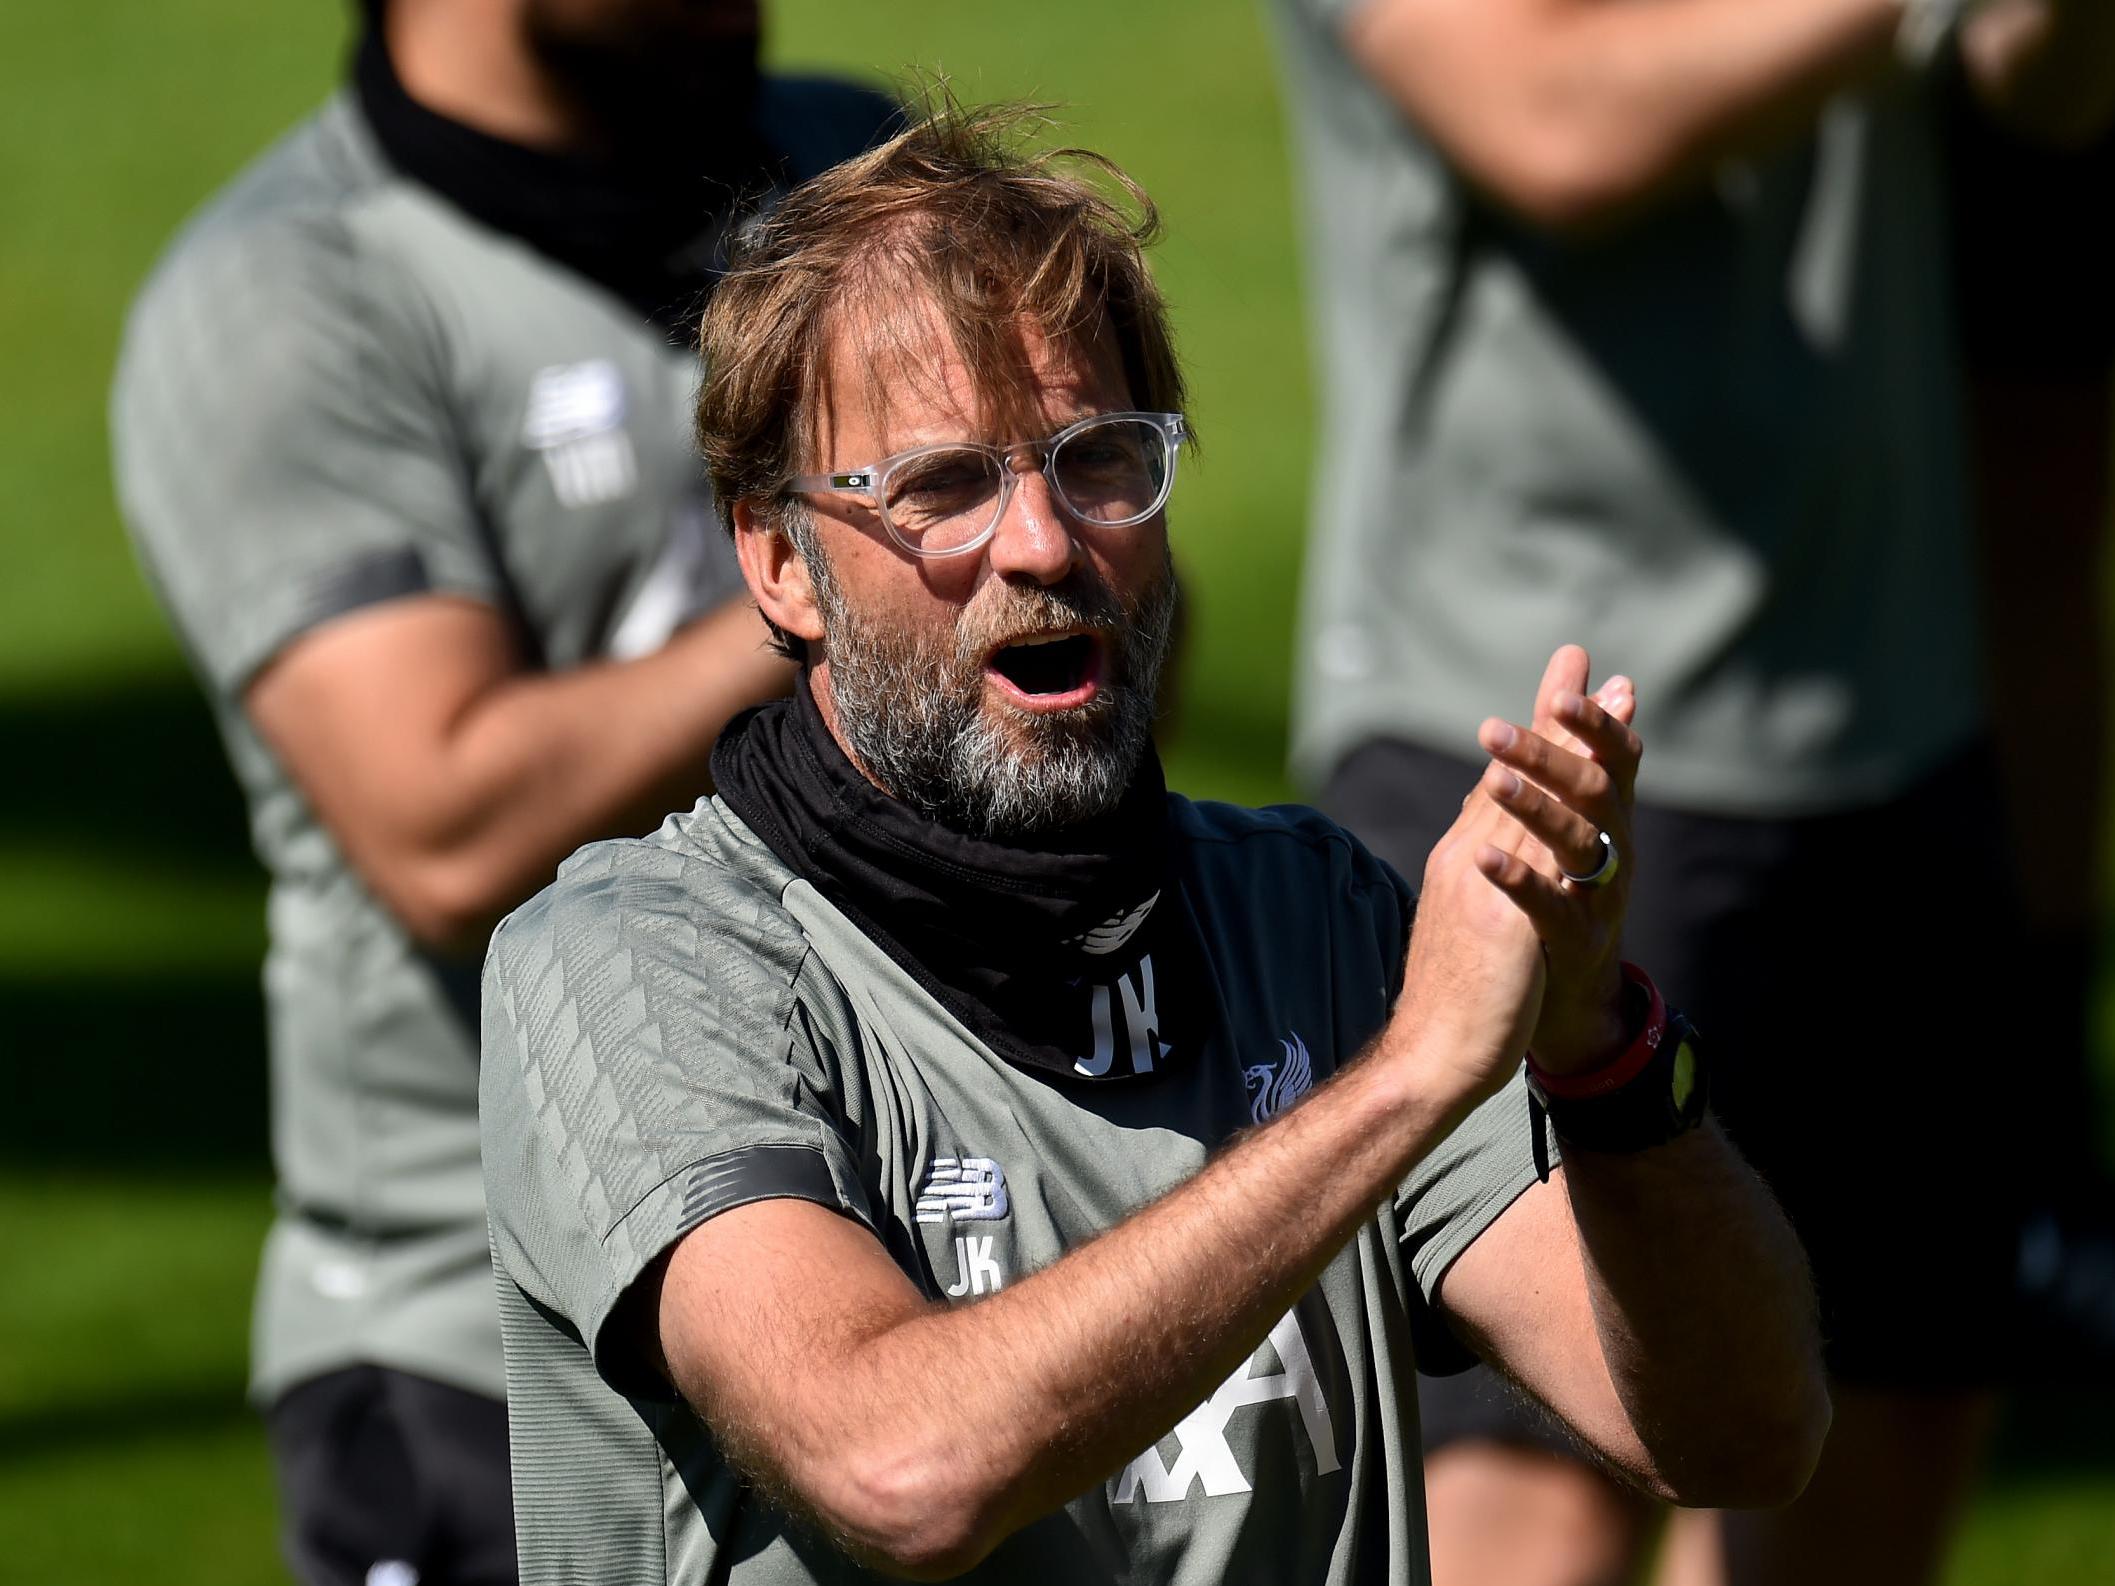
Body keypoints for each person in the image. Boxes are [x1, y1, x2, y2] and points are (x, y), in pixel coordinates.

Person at [477, 106, 1828, 1586]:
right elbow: (896, 1465)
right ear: (782, 559)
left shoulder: (1312, 920)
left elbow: (1746, 1438)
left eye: (1101, 460)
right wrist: (1408, 1078)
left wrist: (1603, 1050)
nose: (1047, 543)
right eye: (943, 485)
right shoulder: (635, 966)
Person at [1263, 1, 2115, 1583]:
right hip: (1520, 733)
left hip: (1896, 711)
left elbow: (2039, 92)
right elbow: (1549, 121)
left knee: (1857, 1456)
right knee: (1537, 1484)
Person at [108, 3, 893, 1581]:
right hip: (490, 1353)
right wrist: (863, 589)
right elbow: (444, 820)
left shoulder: (852, 174)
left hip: (890, 1276)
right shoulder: (293, 297)